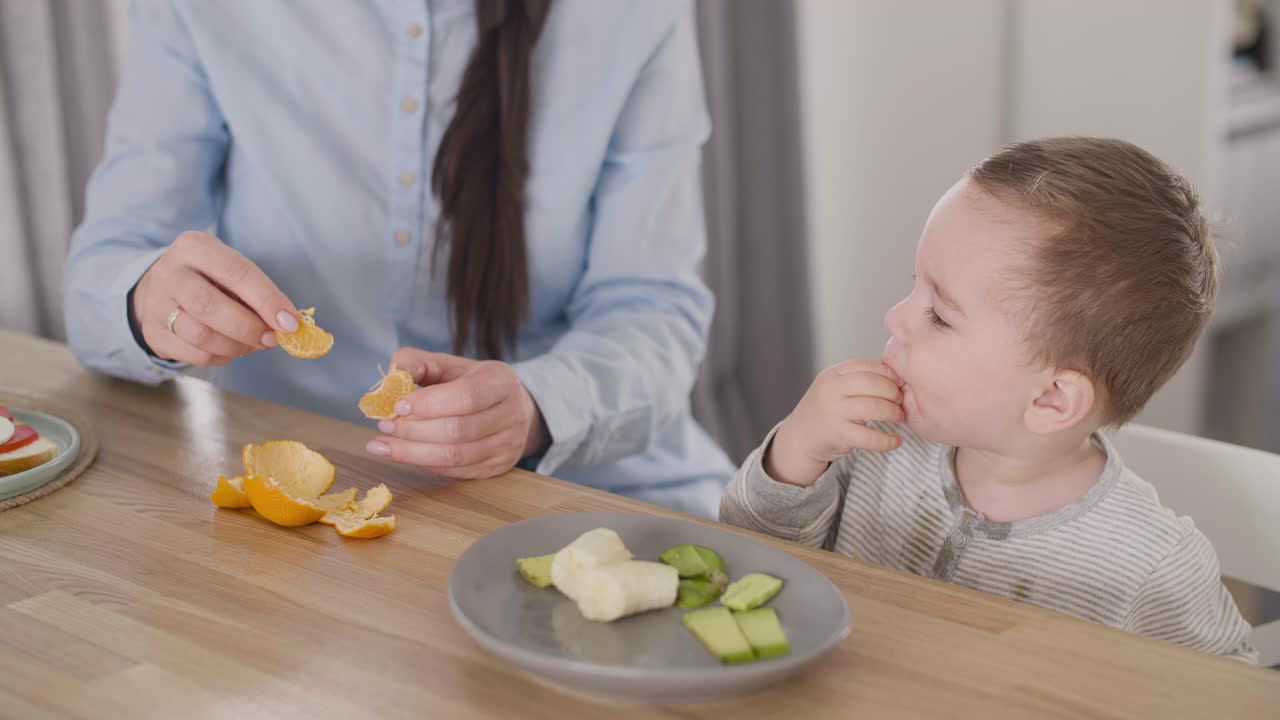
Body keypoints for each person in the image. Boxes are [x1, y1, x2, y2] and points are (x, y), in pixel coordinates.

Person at [64, 0, 733, 519]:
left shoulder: (630, 17)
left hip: (586, 488)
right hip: (301, 511)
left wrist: (536, 407)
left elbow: (653, 309)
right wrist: (150, 300)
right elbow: (102, 273)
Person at [720, 137, 1257, 662]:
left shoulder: (1151, 564)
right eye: (916, 286)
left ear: (1050, 398)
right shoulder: (870, 440)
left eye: (939, 315)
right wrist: (794, 455)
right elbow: (749, 564)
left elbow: (1235, 694)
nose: (895, 317)